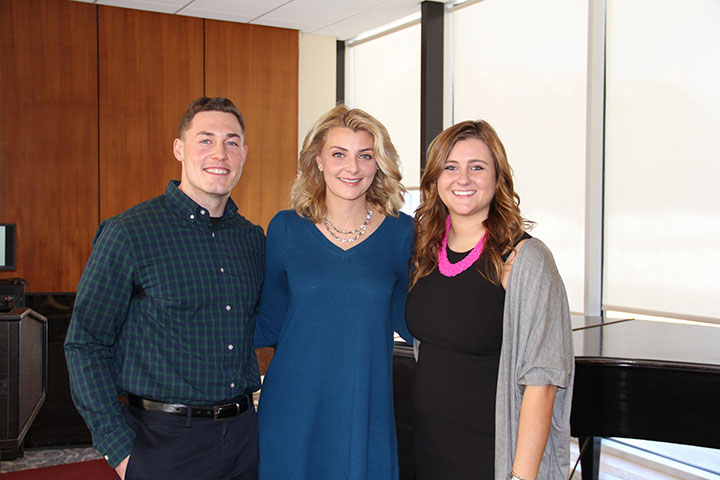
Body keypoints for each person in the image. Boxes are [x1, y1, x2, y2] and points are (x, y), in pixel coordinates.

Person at [64, 97, 264, 480]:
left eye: (232, 141)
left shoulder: (252, 240)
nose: (219, 152)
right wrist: (118, 448)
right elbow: (85, 344)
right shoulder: (129, 233)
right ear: (179, 148)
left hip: (241, 437)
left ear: (243, 154)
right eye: (205, 140)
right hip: (162, 441)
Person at [406, 120, 574, 480]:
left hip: (491, 459)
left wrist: (520, 478)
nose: (462, 178)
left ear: (498, 179)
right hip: (430, 452)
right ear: (435, 180)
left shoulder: (525, 259)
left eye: (477, 167)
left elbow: (542, 384)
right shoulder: (425, 252)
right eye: (450, 167)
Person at [253, 104, 413, 479]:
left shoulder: (403, 234)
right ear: (318, 161)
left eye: (365, 156)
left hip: (364, 410)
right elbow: (270, 322)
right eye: (338, 154)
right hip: (291, 408)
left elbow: (414, 322)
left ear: (379, 164)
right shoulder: (286, 229)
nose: (352, 168)